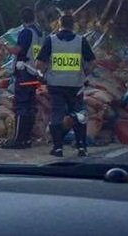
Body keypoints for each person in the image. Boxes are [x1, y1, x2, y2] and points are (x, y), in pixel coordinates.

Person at [35, 14, 96, 158]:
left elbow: (39, 64)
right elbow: (93, 62)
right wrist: (84, 73)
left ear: (59, 24)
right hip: (75, 85)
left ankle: (58, 148)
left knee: (57, 114)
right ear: (73, 25)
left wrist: (43, 75)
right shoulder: (81, 41)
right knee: (79, 115)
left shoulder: (51, 40)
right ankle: (82, 147)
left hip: (55, 85)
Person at [1, 7, 43, 149]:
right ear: (34, 17)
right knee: (30, 107)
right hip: (34, 72)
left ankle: (18, 139)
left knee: (21, 107)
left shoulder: (26, 32)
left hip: (24, 72)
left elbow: (17, 50)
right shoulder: (39, 33)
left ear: (22, 19)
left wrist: (6, 46)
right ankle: (26, 138)